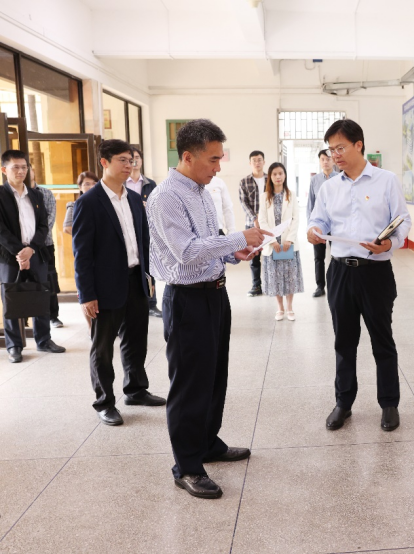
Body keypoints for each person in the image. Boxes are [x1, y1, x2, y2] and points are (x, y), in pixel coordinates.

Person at [147, 119, 270, 500]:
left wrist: (234, 251)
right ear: (188, 156)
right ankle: (187, 466)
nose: (219, 167)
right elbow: (185, 252)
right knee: (189, 385)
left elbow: (207, 242)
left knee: (215, 376)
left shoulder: (202, 191)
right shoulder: (166, 196)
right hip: (187, 300)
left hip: (215, 294)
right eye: (213, 159)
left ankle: (207, 444)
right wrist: (236, 237)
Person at [307, 119, 412, 432]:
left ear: (358, 145)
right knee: (344, 341)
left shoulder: (386, 180)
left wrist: (389, 244)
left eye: (340, 148)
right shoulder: (329, 187)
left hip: (375, 271)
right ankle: (343, 402)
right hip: (340, 272)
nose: (335, 155)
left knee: (382, 340)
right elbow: (318, 220)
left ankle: (389, 404)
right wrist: (314, 230)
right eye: (331, 149)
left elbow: (403, 220)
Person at [73, 140, 166, 426]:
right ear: (104, 162)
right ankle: (104, 402)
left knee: (136, 340)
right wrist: (86, 295)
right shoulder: (88, 203)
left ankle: (135, 390)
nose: (129, 165)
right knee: (102, 348)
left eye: (132, 160)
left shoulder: (135, 199)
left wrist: (148, 276)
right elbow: (82, 254)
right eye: (123, 160)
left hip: (136, 280)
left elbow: (144, 243)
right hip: (104, 287)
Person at [0, 150, 65, 363]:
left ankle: (44, 340)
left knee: (41, 295)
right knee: (11, 299)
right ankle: (14, 346)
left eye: (24, 167)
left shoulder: (36, 195)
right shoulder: (1, 195)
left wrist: (31, 249)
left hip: (36, 253)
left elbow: (44, 225)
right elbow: (1, 230)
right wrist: (19, 251)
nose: (21, 171)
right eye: (15, 167)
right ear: (4, 170)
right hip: (10, 257)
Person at [258, 162, 303, 321]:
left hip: (288, 244)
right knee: (275, 277)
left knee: (290, 276)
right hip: (273, 245)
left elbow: (296, 219)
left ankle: (290, 307)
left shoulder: (291, 195)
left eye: (280, 173)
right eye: (274, 174)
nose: (278, 177)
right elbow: (262, 221)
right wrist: (272, 240)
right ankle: (280, 308)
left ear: (285, 175)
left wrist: (290, 239)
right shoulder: (264, 197)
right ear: (270, 177)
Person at [126, 147, 162, 318]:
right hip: (129, 228)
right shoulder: (123, 183)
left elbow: (157, 207)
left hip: (147, 230)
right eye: (131, 158)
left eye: (137, 157)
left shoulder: (150, 184)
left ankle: (151, 302)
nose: (135, 161)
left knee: (149, 263)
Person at [65, 171, 98, 334]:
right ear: (80, 187)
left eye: (94, 183)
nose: (91, 187)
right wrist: (85, 234)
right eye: (86, 184)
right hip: (84, 252)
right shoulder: (74, 204)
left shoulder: (102, 203)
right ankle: (91, 328)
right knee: (85, 292)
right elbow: (67, 227)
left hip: (101, 254)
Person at [29, 171, 61, 328]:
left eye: (26, 168)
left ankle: (53, 316)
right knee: (23, 284)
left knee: (49, 281)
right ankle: (25, 319)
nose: (23, 171)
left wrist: (33, 242)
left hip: (44, 245)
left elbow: (49, 220)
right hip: (20, 248)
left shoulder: (45, 193)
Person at [307, 149, 336, 298]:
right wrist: (310, 226)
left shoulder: (340, 178)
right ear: (319, 161)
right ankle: (320, 286)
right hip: (319, 225)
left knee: (337, 256)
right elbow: (310, 205)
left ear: (333, 160)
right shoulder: (315, 180)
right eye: (323, 159)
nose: (325, 162)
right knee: (319, 257)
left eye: (328, 159)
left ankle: (334, 284)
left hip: (336, 226)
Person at [239, 151, 266, 297]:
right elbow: (243, 203)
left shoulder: (270, 179)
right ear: (250, 163)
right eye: (254, 160)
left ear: (264, 162)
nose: (257, 162)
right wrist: (255, 219)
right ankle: (256, 286)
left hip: (269, 225)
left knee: (270, 255)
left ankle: (270, 284)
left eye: (259, 160)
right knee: (254, 256)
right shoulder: (244, 182)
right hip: (251, 225)